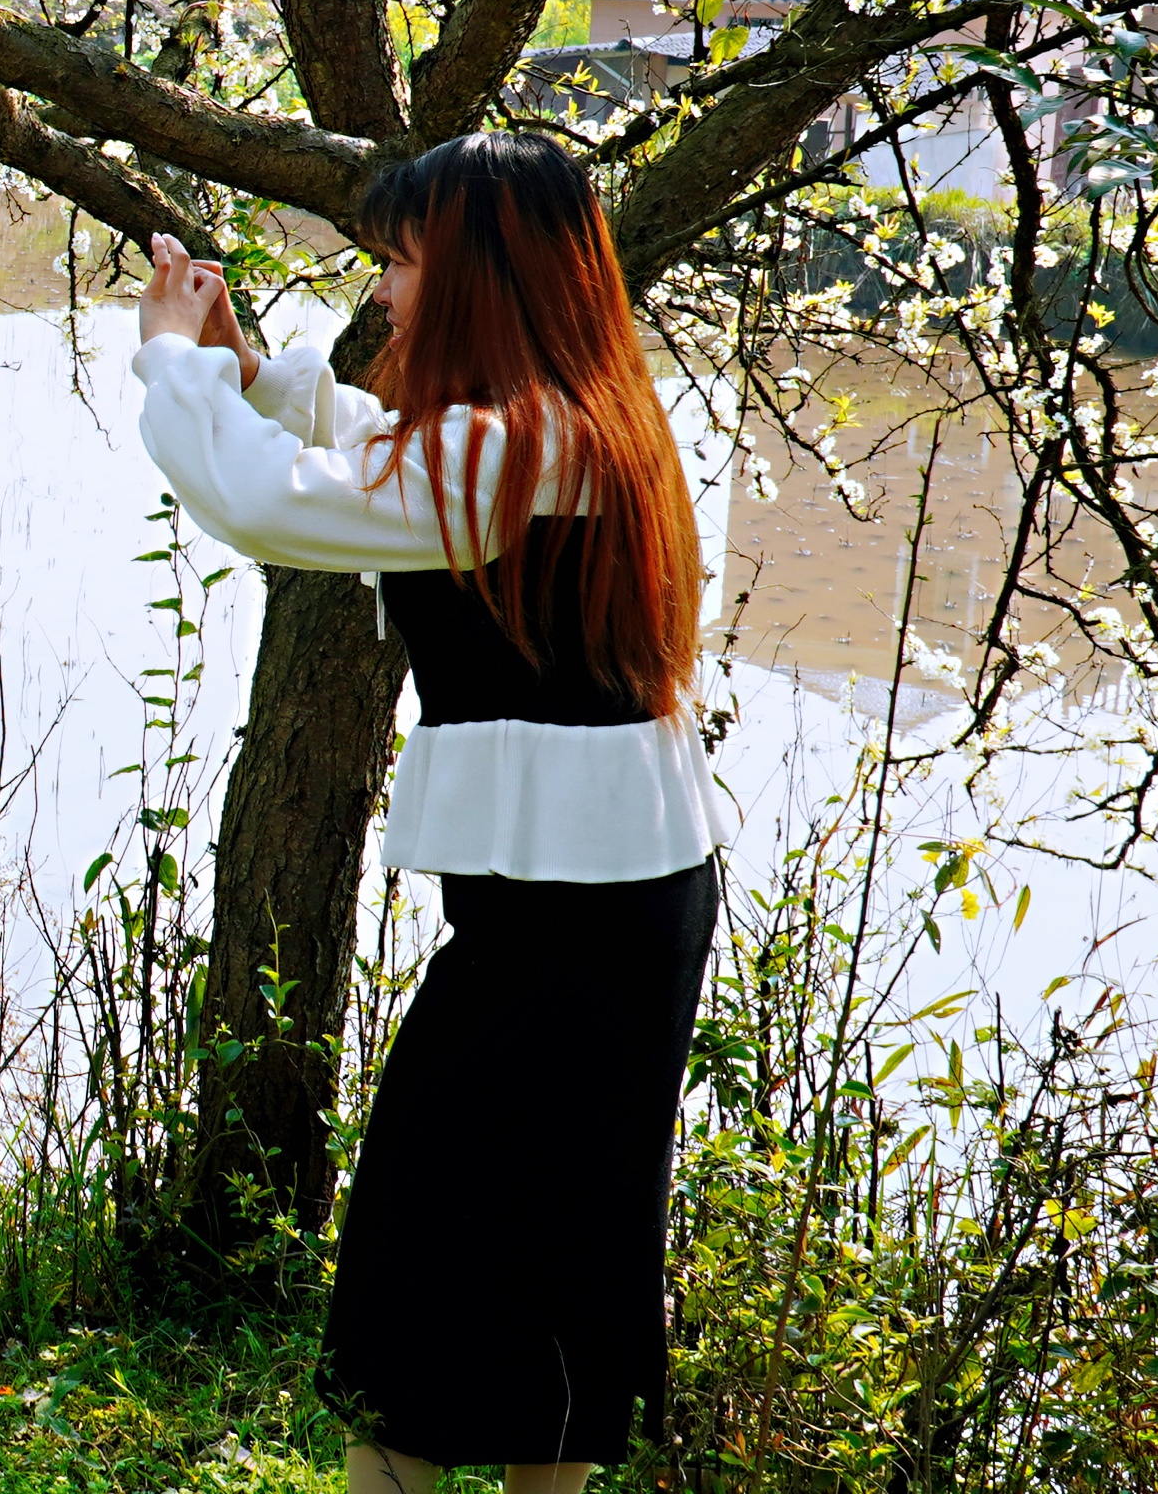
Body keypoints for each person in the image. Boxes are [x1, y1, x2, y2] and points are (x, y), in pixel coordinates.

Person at [127, 132, 723, 1494]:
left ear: (482, 276)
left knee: (439, 1231)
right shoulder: (568, 421)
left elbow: (277, 508)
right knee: (550, 1231)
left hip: (574, 913)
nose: (385, 292)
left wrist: (172, 362)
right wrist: (247, 366)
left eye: (401, 261)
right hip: (602, 890)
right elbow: (377, 455)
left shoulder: (524, 447)